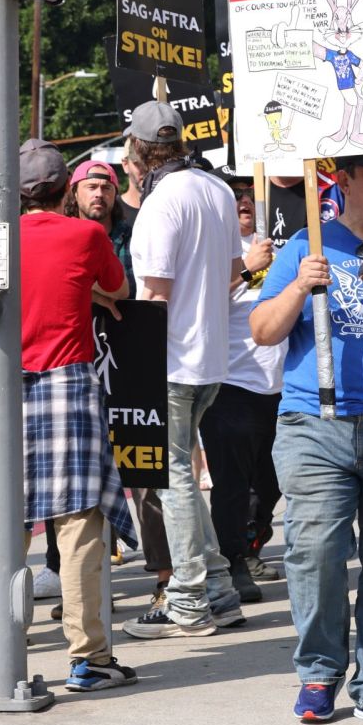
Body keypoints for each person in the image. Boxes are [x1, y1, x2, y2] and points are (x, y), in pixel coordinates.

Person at [250, 140, 363, 725]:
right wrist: (298, 285)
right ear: (343, 182)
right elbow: (262, 330)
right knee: (315, 552)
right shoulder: (307, 244)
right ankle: (318, 673)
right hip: (315, 422)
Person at [119, 101, 248, 639]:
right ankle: (217, 587)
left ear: (137, 153)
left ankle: (189, 600)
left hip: (172, 358)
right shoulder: (215, 188)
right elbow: (237, 273)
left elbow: (154, 296)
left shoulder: (160, 202)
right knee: (185, 478)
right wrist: (203, 313)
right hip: (209, 357)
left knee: (173, 478)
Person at [17, 139, 138, 692]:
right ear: (67, 189)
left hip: (1, 391)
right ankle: (88, 657)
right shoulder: (86, 234)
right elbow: (119, 287)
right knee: (78, 528)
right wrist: (88, 291)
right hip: (66, 381)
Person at [201, 169, 280, 605]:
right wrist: (248, 271)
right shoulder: (215, 252)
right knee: (232, 485)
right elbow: (198, 300)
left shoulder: (278, 250)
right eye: (235, 199)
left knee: (270, 483)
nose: (245, 203)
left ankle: (250, 544)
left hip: (281, 386)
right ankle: (233, 563)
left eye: (250, 197)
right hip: (231, 382)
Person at [65, 160, 135, 297]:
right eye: (91, 187)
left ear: (115, 194)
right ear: (75, 193)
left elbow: (135, 290)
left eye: (106, 188)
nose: (99, 194)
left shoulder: (133, 238)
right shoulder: (61, 236)